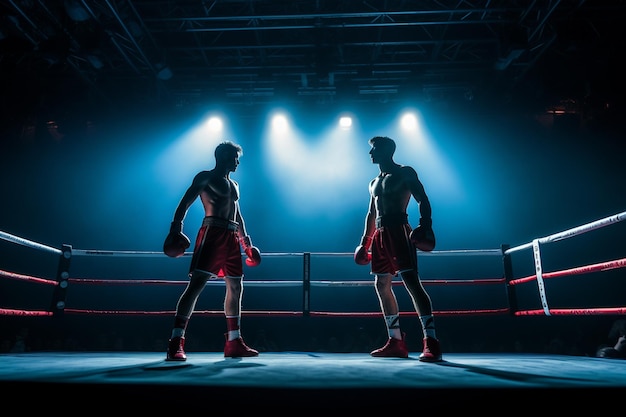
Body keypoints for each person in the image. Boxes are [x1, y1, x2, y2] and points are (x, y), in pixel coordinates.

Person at [163, 140, 262, 361]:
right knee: (196, 285)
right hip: (212, 232)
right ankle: (176, 342)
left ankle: (234, 341)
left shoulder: (234, 185)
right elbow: (184, 203)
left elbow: (237, 214)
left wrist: (246, 243)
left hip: (231, 237)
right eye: (235, 158)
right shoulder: (205, 177)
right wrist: (175, 229)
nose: (237, 162)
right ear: (224, 157)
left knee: (236, 286)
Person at [354, 135, 442, 362]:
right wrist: (365, 242)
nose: (370, 153)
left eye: (374, 149)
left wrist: (425, 225)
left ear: (386, 151)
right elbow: (372, 214)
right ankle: (395, 341)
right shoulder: (373, 183)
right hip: (380, 235)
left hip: (399, 229)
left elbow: (422, 198)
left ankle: (430, 341)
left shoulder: (405, 172)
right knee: (381, 284)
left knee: (412, 282)